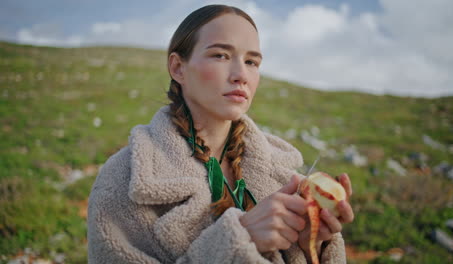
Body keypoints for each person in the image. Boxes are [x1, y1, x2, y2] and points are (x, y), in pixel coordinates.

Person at [87, 4, 354, 264]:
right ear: (178, 68)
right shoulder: (123, 180)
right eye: (220, 55)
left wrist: (308, 246)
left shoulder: (284, 176)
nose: (241, 75)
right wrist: (240, 238)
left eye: (252, 62)